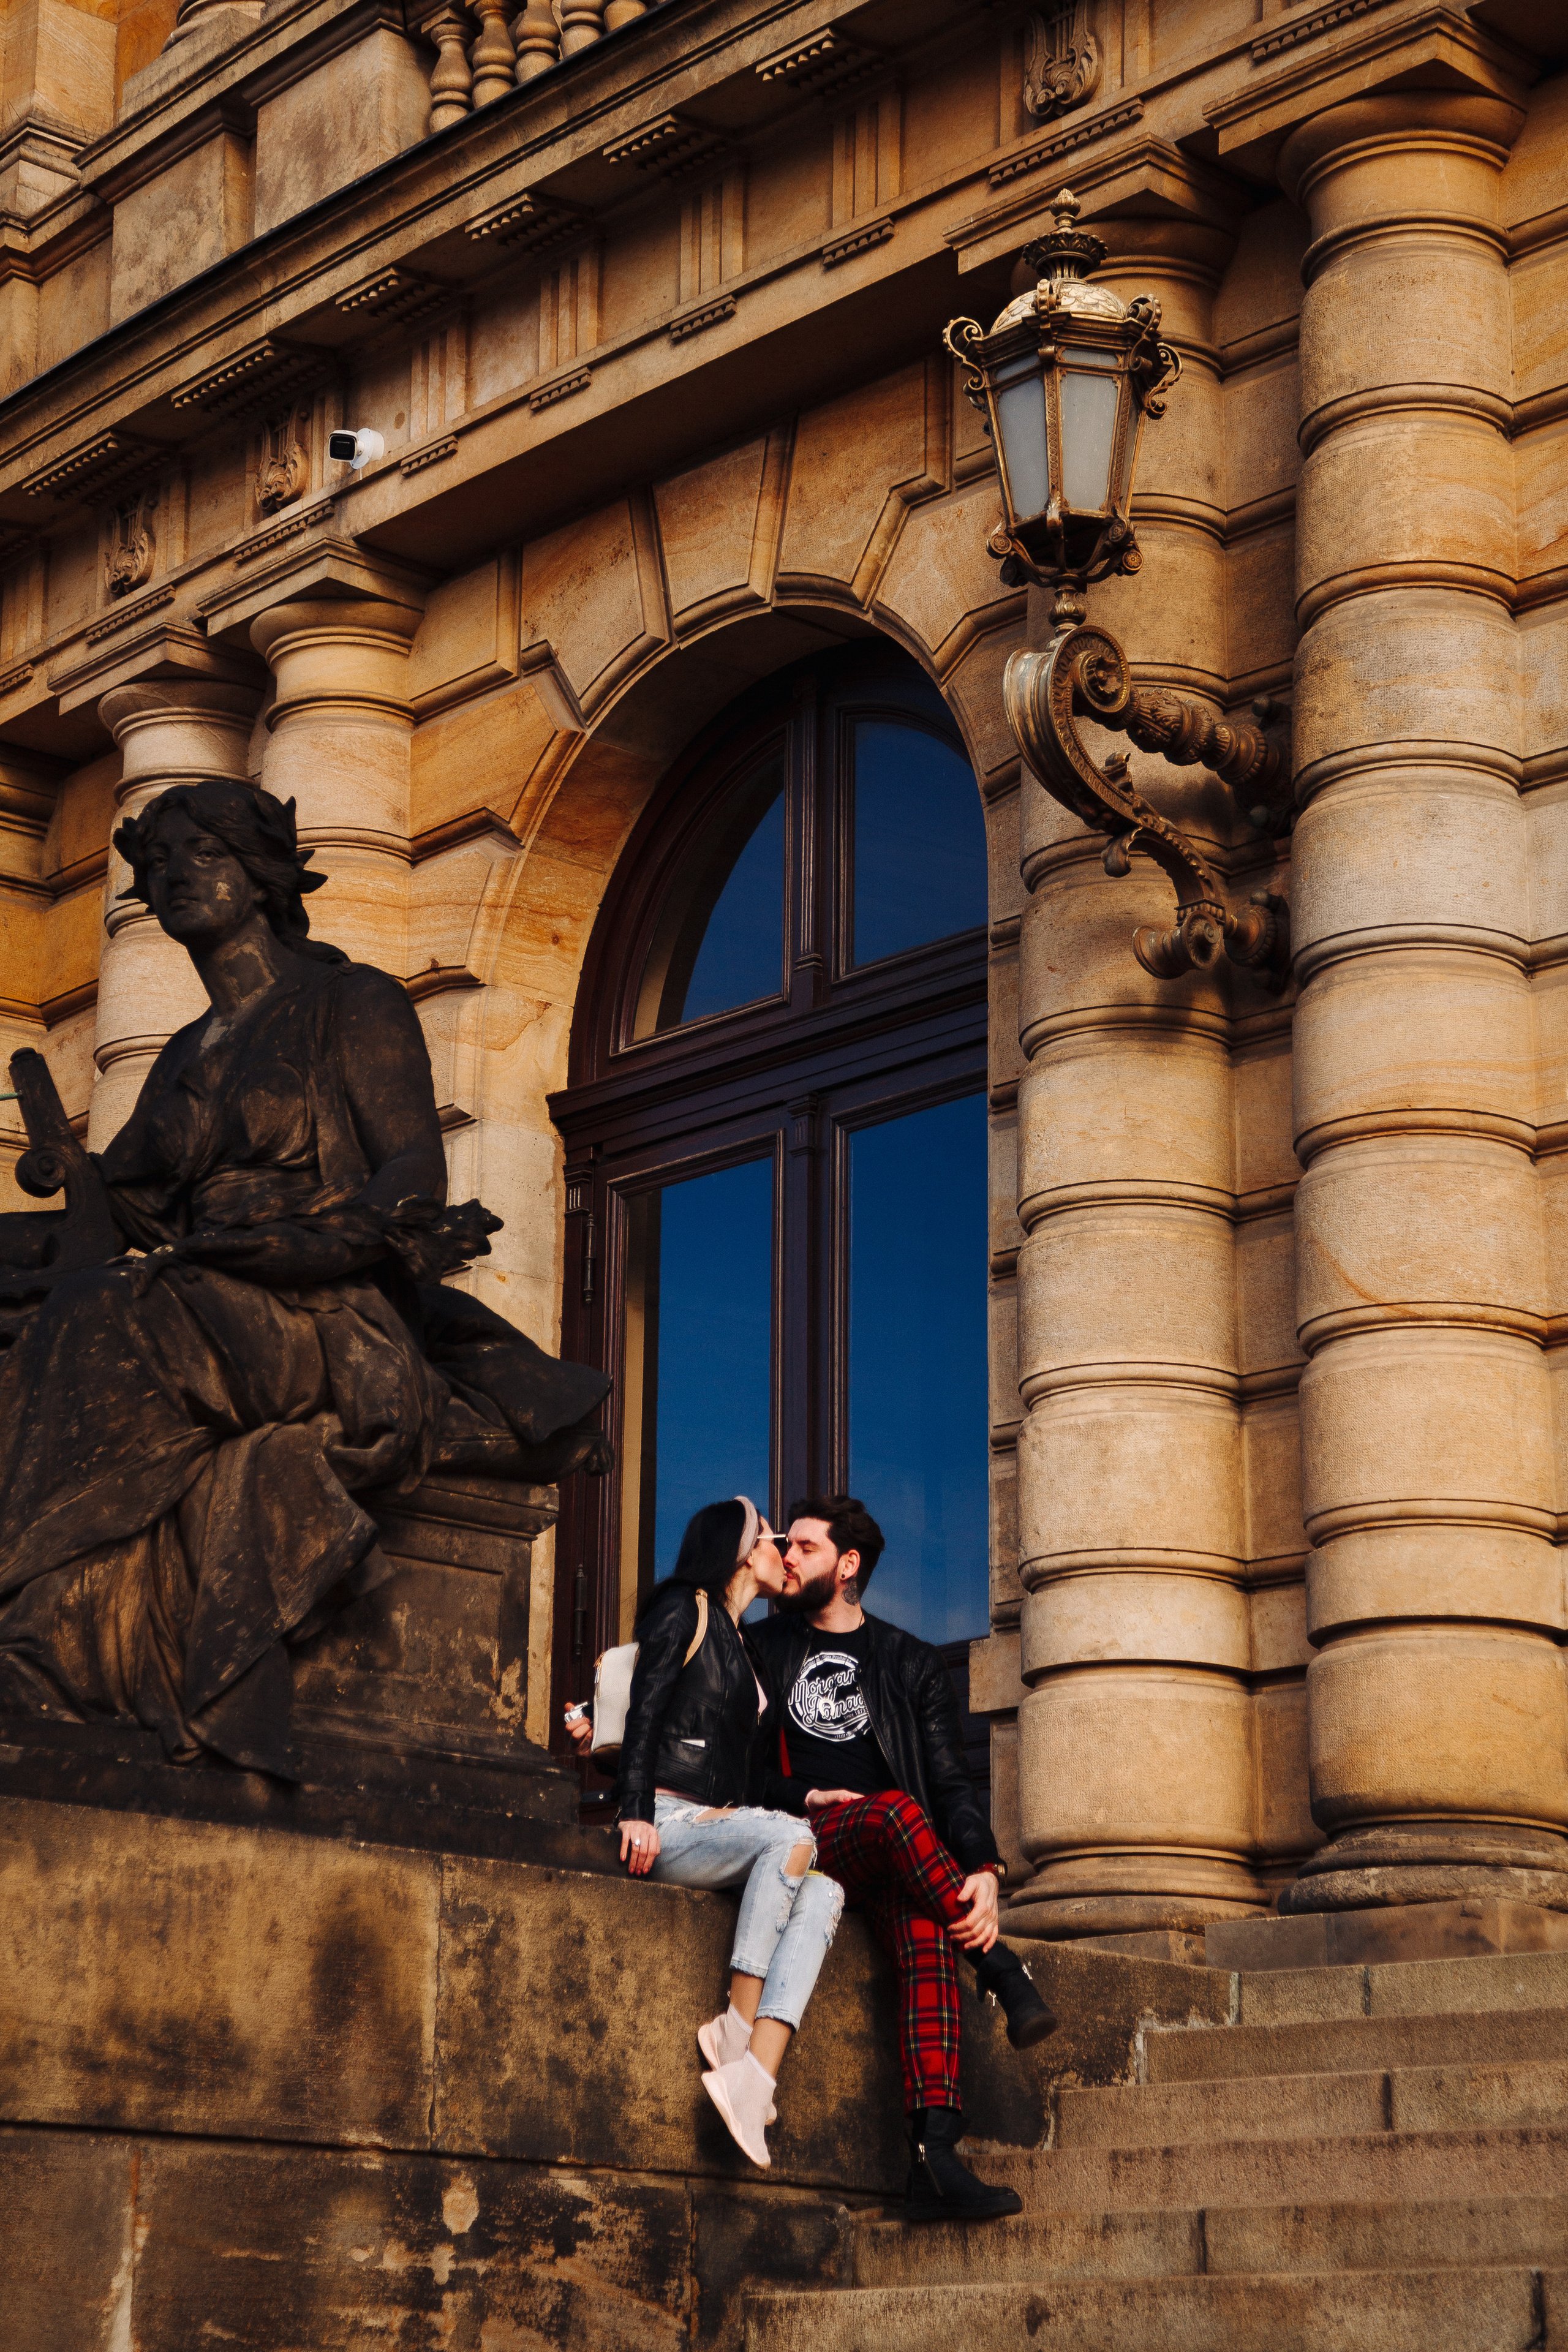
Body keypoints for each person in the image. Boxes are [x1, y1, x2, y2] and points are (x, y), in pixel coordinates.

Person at [0, 780, 609, 1774]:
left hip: (326, 1309)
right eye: (157, 865)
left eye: (201, 855)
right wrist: (67, 1196)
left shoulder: (349, 1004)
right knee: (61, 1314)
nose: (174, 876)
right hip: (210, 1294)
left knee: (106, 1317)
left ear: (261, 874)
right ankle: (49, 1616)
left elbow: (414, 1171)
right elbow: (108, 1216)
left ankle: (44, 1640)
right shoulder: (188, 1054)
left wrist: (322, 1236)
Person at [749, 1494, 1055, 2223]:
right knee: (895, 1810)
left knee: (926, 1934)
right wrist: (806, 1790)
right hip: (803, 1840)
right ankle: (1002, 1969)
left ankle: (934, 2158)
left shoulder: (910, 1661)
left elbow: (949, 1780)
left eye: (805, 1548)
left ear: (848, 1565)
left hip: (895, 1853)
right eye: (783, 1547)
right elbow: (733, 1772)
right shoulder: (761, 1650)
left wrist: (983, 1868)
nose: (787, 1558)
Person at [568, 1496, 843, 2170]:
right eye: (775, 1539)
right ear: (744, 1549)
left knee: (826, 1891)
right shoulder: (681, 1607)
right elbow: (647, 1710)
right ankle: (734, 2027)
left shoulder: (744, 1643)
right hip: (665, 1820)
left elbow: (745, 1772)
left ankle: (753, 2080)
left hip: (718, 1825)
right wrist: (632, 1808)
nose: (786, 1552)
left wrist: (808, 1793)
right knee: (791, 1839)